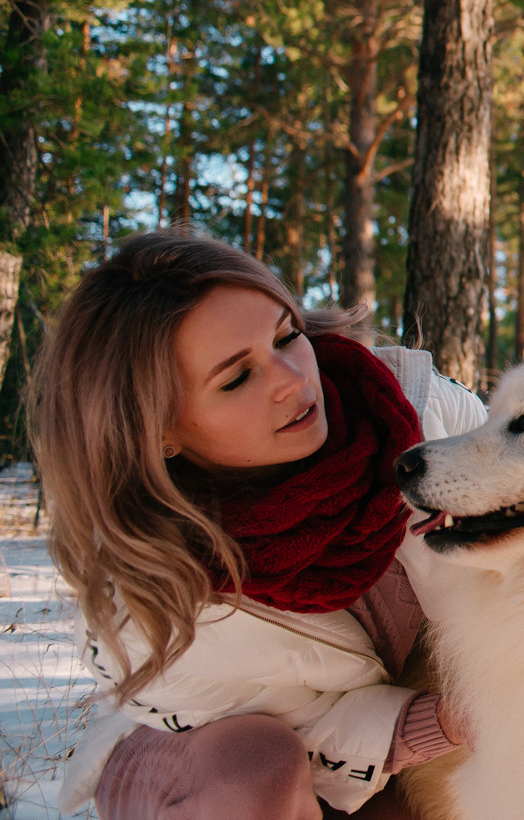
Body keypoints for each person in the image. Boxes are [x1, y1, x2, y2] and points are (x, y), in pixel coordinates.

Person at [32, 229, 487, 819]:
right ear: (158, 431)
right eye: (236, 378)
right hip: (212, 762)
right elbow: (310, 733)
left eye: (286, 336)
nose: (296, 379)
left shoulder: (420, 408)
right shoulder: (154, 598)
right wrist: (446, 721)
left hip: (394, 726)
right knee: (257, 773)